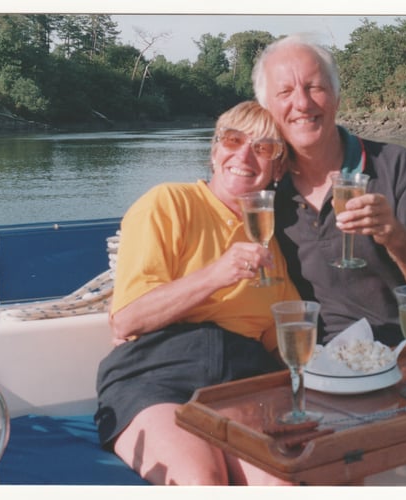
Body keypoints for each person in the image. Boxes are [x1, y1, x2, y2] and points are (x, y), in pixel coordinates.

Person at [252, 33, 406, 486]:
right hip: (315, 360)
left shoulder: (396, 166)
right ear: (267, 108)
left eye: (314, 87)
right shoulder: (263, 188)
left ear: (335, 95)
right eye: (285, 92)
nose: (302, 103)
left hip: (405, 347)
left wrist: (394, 234)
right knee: (330, 456)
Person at [94, 101, 300, 486]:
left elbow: (279, 344)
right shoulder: (168, 203)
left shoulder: (273, 241)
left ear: (279, 167)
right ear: (214, 150)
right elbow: (127, 318)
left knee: (282, 484)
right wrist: (215, 275)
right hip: (156, 376)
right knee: (201, 480)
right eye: (233, 140)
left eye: (263, 148)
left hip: (242, 383)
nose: (244, 155)